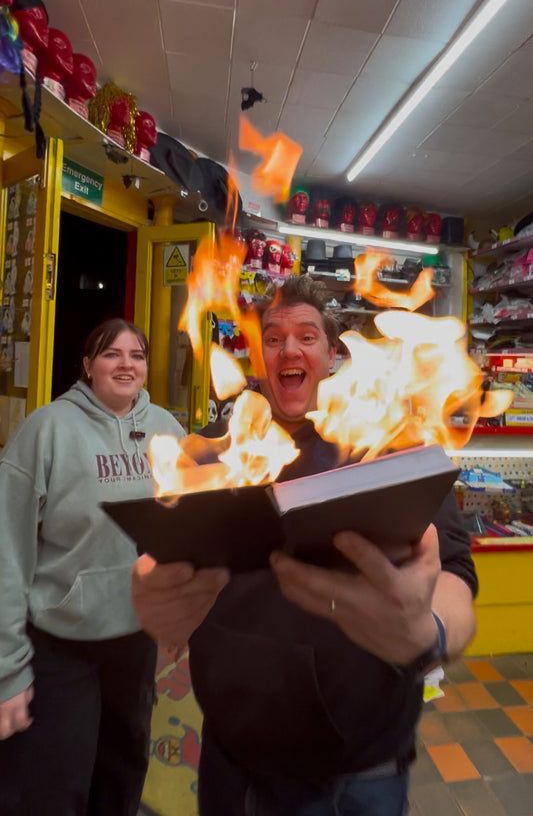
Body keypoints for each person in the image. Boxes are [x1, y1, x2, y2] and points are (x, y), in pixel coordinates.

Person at [132, 276, 478, 816]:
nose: (288, 348)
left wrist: (429, 632)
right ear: (258, 353)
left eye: (306, 336)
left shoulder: (388, 444)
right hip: (232, 764)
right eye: (273, 337)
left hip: (357, 775)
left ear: (333, 354)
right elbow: (165, 565)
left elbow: (456, 576)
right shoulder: (214, 451)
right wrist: (152, 598)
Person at [0, 318, 186, 816]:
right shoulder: (48, 428)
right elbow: (7, 553)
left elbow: (189, 534)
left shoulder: (168, 430)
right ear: (86, 366)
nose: (126, 364)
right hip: (61, 645)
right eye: (112, 354)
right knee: (53, 786)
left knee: (121, 776)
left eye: (137, 355)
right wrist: (7, 672)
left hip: (135, 641)